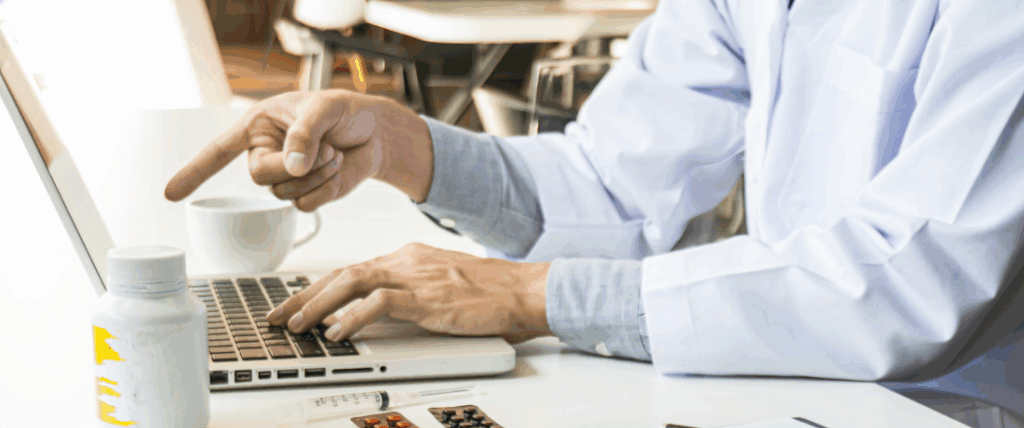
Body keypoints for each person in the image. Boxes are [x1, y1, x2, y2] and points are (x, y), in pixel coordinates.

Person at [166, 0, 1024, 390]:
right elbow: (617, 181)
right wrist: (401, 144)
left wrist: (532, 296)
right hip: (812, 396)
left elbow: (923, 279)